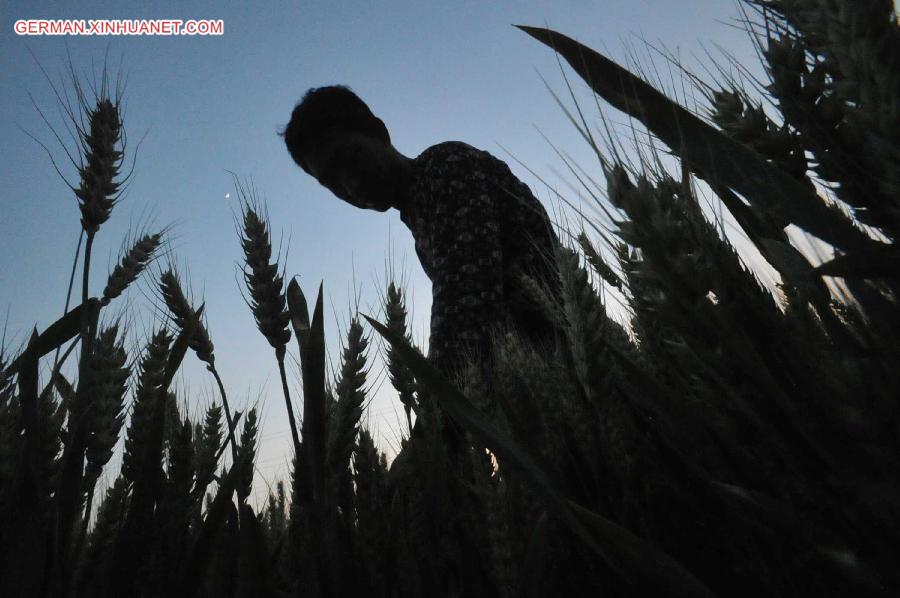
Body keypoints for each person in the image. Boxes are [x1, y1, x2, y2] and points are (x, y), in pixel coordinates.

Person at [280, 85, 562, 391]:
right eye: (331, 181)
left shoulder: (448, 169)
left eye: (350, 157)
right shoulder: (422, 214)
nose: (350, 183)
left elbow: (467, 304)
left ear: (378, 131)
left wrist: (437, 420)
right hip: (549, 382)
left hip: (578, 372)